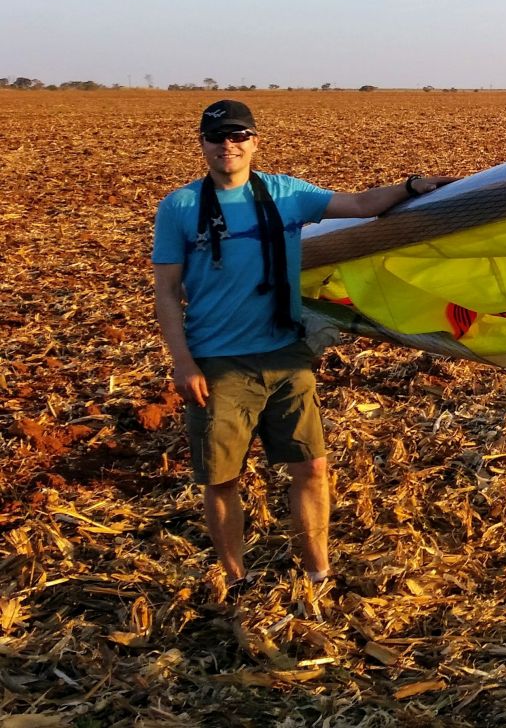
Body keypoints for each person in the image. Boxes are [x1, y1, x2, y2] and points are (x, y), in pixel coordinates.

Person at [152, 99, 455, 594]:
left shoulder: (285, 193)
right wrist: (183, 363)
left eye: (238, 135)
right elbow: (166, 291)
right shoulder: (180, 207)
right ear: (202, 144)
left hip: (286, 354)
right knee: (222, 479)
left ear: (254, 142)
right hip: (217, 361)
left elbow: (360, 205)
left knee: (312, 467)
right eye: (217, 136)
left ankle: (317, 574)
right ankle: (237, 579)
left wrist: (411, 186)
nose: (228, 145)